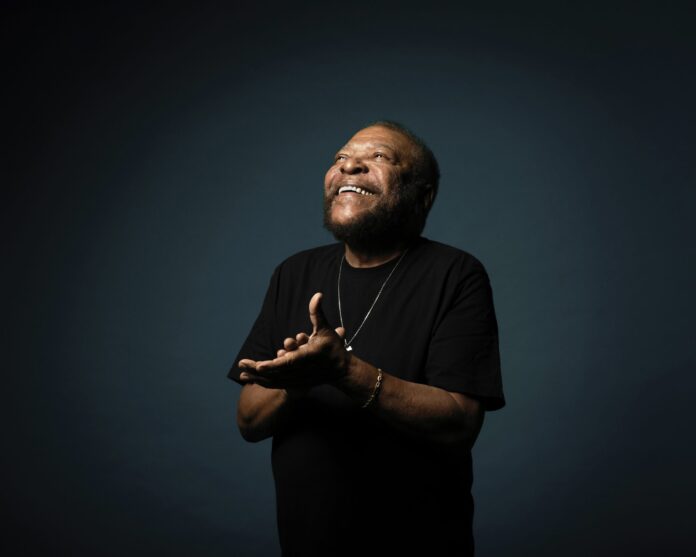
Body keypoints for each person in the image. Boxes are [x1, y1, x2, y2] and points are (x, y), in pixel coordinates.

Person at [228, 121, 505, 556]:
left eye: (378, 157)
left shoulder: (455, 274)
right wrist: (295, 385)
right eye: (340, 157)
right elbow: (249, 422)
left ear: (423, 196)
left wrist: (344, 370)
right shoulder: (294, 272)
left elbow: (458, 423)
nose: (350, 165)